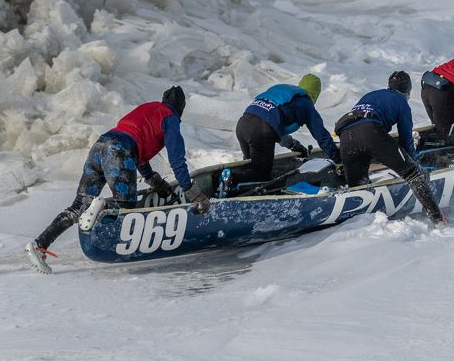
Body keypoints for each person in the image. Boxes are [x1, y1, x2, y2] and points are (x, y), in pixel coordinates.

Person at [24, 86, 210, 274]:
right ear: (181, 107)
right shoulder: (171, 118)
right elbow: (177, 161)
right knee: (127, 208)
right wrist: (192, 192)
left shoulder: (148, 109)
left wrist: (152, 179)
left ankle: (39, 244)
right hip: (119, 152)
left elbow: (138, 147)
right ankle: (99, 210)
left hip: (99, 147)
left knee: (79, 205)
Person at [335, 71, 446, 225]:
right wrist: (412, 164)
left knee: (358, 187)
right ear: (408, 90)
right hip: (369, 131)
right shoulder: (402, 102)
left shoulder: (372, 94)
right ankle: (437, 218)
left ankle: (359, 222)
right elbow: (406, 139)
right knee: (413, 173)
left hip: (346, 136)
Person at [233, 74, 340, 184]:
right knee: (261, 175)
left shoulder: (285, 91)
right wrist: (338, 159)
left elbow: (272, 122)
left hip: (242, 125)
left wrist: (294, 145)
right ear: (315, 94)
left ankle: (230, 184)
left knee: (250, 168)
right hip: (261, 132)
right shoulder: (305, 102)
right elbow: (321, 136)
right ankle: (230, 178)